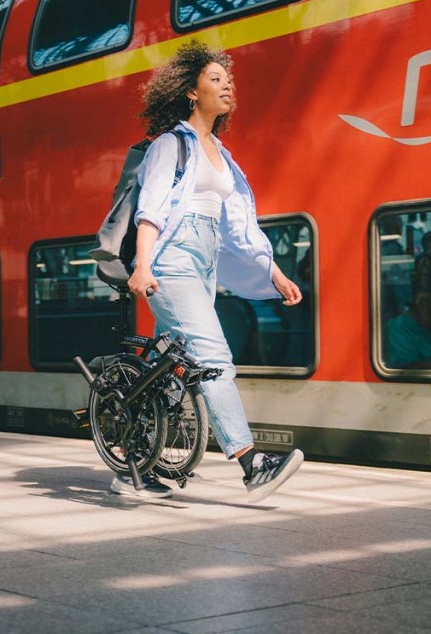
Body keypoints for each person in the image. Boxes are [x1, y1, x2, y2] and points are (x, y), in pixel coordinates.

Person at [124, 40, 304, 502]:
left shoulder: (221, 152)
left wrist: (274, 274)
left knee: (177, 366)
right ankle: (251, 464)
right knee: (213, 356)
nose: (228, 88)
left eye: (230, 81)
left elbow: (241, 228)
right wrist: (143, 264)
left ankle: (133, 462)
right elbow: (152, 210)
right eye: (216, 80)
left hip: (204, 261)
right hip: (171, 258)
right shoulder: (170, 145)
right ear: (191, 91)